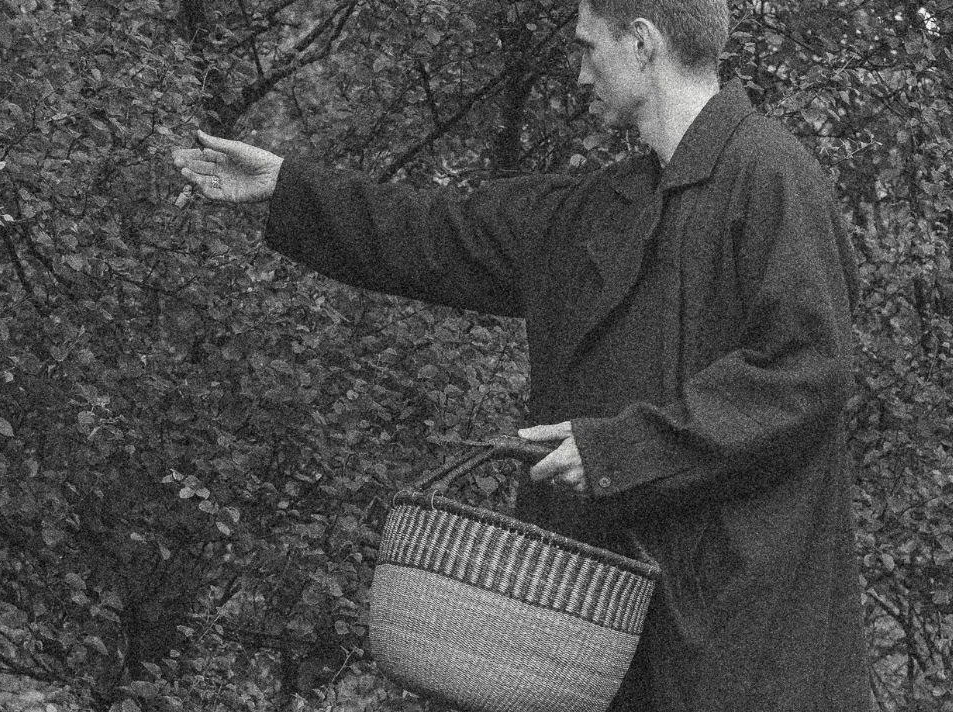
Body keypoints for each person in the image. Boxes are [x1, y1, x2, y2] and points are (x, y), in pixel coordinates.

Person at [173, 0, 873, 709]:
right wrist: (289, 187)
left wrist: (621, 449)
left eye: (587, 47)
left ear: (642, 43)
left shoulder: (772, 176)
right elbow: (442, 234)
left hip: (747, 639)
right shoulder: (603, 206)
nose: (580, 74)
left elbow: (804, 374)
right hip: (607, 637)